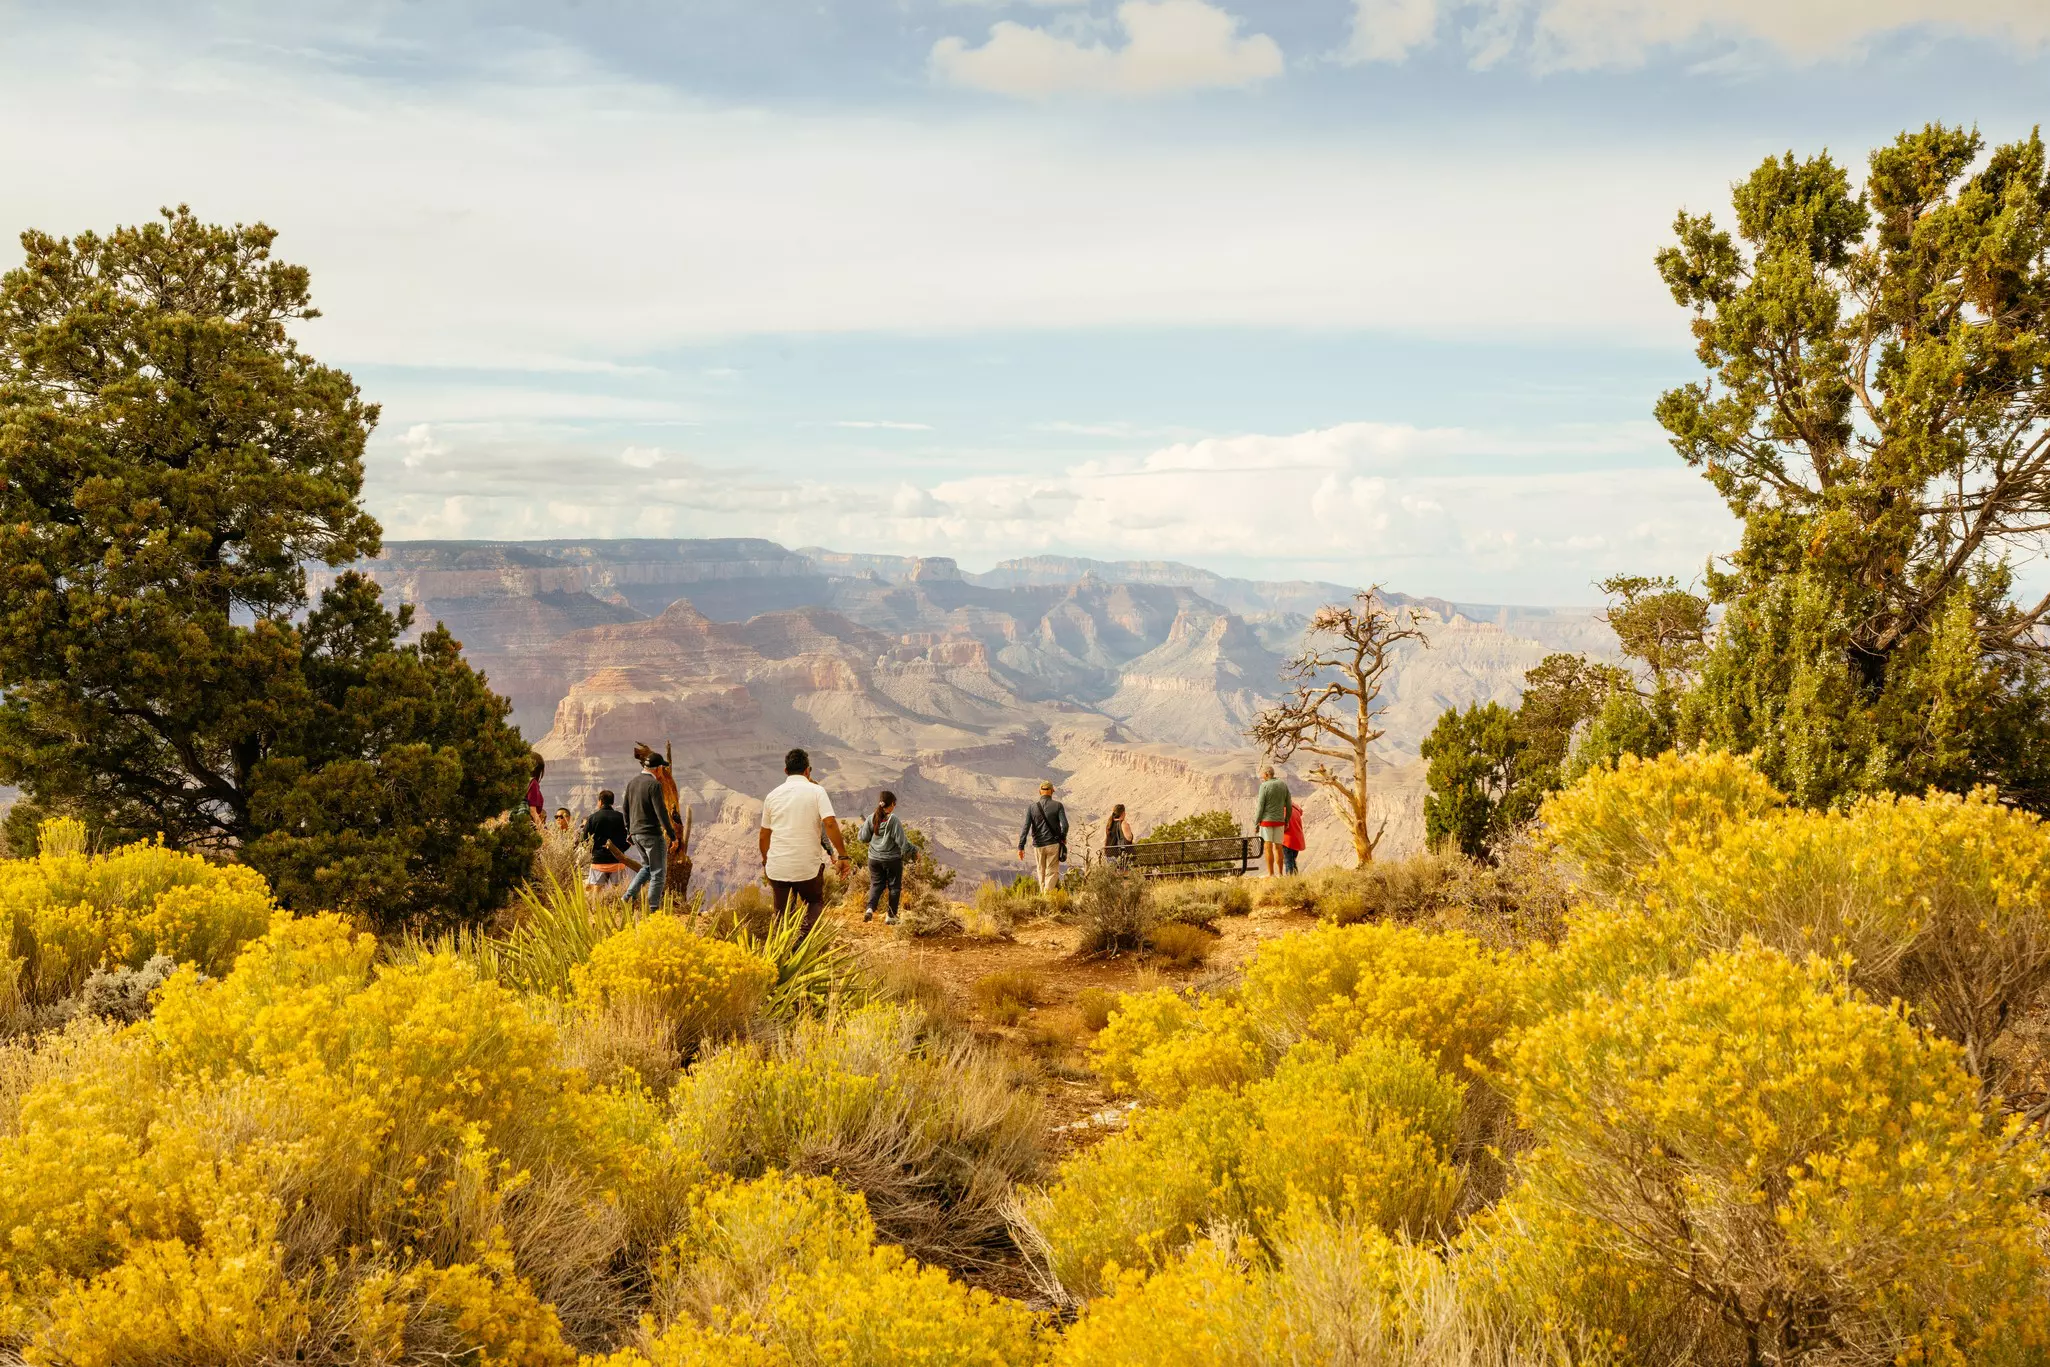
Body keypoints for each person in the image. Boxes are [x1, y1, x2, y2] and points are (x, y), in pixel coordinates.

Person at [759, 747, 848, 934]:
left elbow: (764, 835)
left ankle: (781, 951)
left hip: (778, 867)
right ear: (808, 770)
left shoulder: (772, 796)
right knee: (814, 901)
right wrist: (843, 855)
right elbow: (830, 823)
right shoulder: (817, 791)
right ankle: (803, 941)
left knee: (782, 913)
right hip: (808, 868)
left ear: (785, 771)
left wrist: (766, 860)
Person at [622, 749, 677, 909]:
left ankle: (627, 897)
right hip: (652, 834)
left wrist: (629, 831)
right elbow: (661, 812)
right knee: (658, 873)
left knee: (647, 867)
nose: (663, 772)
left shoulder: (632, 782)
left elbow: (625, 808)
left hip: (636, 834)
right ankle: (653, 909)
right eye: (663, 768)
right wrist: (672, 836)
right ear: (658, 768)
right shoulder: (654, 785)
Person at [859, 790, 909, 925]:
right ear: (892, 804)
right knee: (894, 887)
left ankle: (869, 909)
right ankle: (891, 917)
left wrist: (863, 826)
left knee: (876, 884)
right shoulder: (893, 820)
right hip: (892, 860)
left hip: (874, 859)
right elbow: (902, 842)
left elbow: (863, 838)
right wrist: (913, 850)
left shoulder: (871, 818)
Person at [1017, 779, 1069, 891]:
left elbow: (1026, 827)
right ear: (1051, 791)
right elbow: (1065, 825)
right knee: (1052, 872)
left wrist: (1021, 847)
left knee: (1041, 871)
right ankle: (1047, 896)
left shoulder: (1032, 808)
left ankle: (1043, 896)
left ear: (1039, 792)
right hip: (1053, 844)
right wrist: (1063, 838)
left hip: (1038, 846)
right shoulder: (1058, 805)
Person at [582, 789, 632, 892]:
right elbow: (630, 836)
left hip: (599, 861)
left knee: (597, 891)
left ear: (600, 801)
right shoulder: (620, 817)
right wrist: (622, 850)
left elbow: (584, 839)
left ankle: (596, 908)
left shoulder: (592, 818)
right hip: (617, 859)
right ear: (612, 802)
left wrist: (594, 852)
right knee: (618, 891)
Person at [1254, 765, 1291, 877]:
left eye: (1262, 775)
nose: (1261, 777)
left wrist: (1256, 822)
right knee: (1279, 847)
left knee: (1267, 847)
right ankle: (1280, 874)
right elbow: (1289, 805)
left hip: (1266, 821)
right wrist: (1287, 820)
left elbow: (1260, 806)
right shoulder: (1283, 785)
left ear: (1266, 774)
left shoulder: (1264, 786)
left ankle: (1271, 874)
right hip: (1280, 821)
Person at [1282, 799, 1305, 876]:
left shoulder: (1284, 809)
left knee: (1288, 862)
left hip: (1287, 840)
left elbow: (1284, 825)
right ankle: (1295, 881)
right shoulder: (1296, 808)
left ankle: (1290, 881)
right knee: (1293, 862)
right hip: (1297, 840)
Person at [525, 756, 547, 826]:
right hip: (528, 825)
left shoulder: (520, 782)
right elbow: (532, 811)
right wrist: (542, 830)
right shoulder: (532, 782)